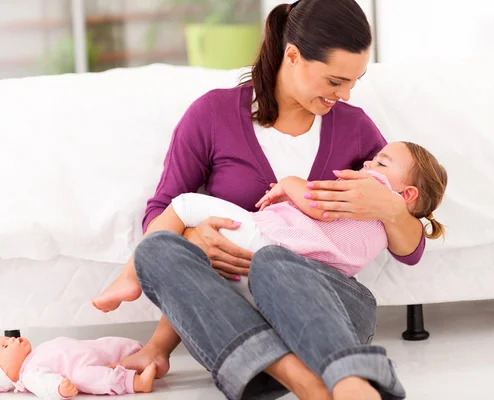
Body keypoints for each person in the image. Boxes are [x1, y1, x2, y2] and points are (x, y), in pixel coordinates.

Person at [111, 1, 428, 399]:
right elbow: (163, 210)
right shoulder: (212, 114)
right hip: (233, 316)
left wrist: (390, 208)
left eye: (354, 81)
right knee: (155, 250)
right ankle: (303, 381)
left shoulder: (356, 129)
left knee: (274, 262)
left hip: (329, 313)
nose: (345, 94)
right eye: (334, 81)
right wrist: (194, 238)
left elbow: (410, 251)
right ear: (292, 56)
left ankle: (347, 379)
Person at [92, 141, 447, 313]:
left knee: (185, 206)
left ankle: (131, 275)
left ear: (408, 193)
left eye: (381, 161)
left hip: (269, 244)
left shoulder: (371, 190)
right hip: (295, 281)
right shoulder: (381, 224)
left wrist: (289, 182)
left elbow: (317, 206)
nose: (368, 161)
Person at [0, 335, 156, 398]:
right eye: (5, 346)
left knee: (110, 345)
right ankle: (136, 382)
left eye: (7, 339)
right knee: (94, 378)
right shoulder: (29, 374)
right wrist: (59, 388)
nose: (12, 339)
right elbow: (44, 385)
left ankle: (141, 354)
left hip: (89, 349)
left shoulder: (35, 354)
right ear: (6, 373)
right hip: (80, 368)